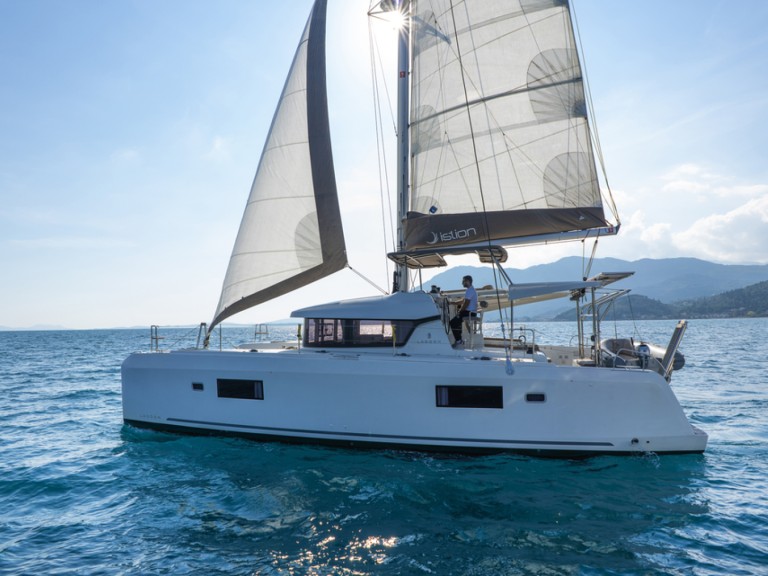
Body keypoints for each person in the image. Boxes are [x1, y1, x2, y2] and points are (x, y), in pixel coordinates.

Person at [450, 275, 477, 346]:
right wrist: (452, 303)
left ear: (468, 281)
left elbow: (466, 303)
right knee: (456, 322)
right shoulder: (470, 290)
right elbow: (463, 301)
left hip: (469, 313)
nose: (462, 283)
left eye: (463, 281)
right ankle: (459, 339)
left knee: (452, 322)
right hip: (469, 312)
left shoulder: (470, 290)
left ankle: (459, 341)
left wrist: (460, 311)